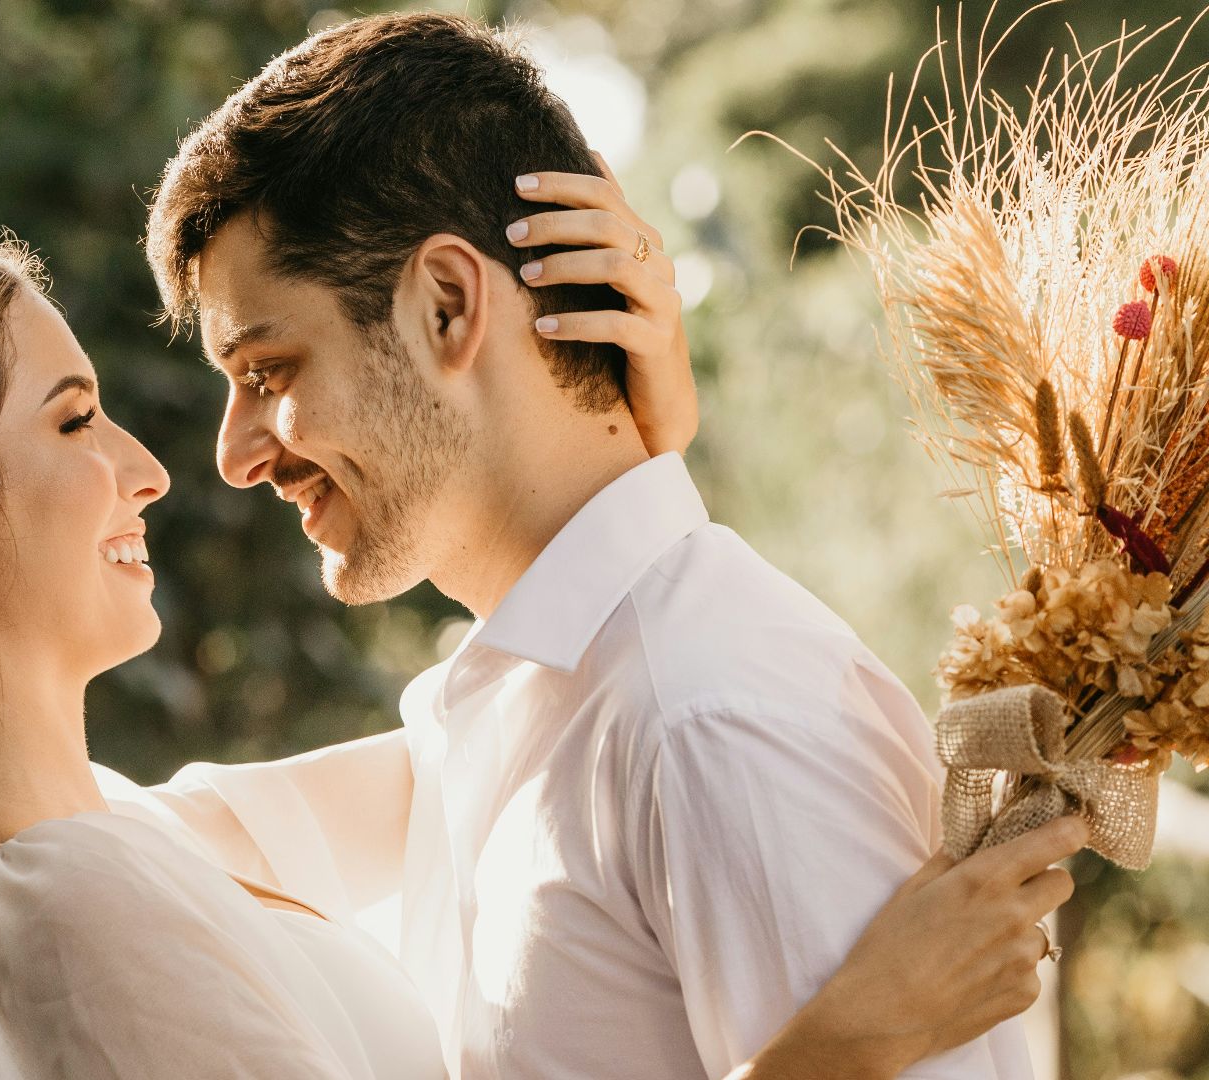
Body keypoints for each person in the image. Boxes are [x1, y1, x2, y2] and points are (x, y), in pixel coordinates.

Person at [0, 219, 1082, 1080]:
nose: (155, 469)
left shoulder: (126, 844)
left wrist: (612, 452)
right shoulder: (59, 910)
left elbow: (516, 722)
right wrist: (839, 1050)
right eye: (75, 420)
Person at [123, 10, 1068, 1080]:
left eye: (269, 372)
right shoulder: (495, 710)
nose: (235, 455)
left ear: (446, 307)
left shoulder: (714, 722)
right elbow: (117, 850)